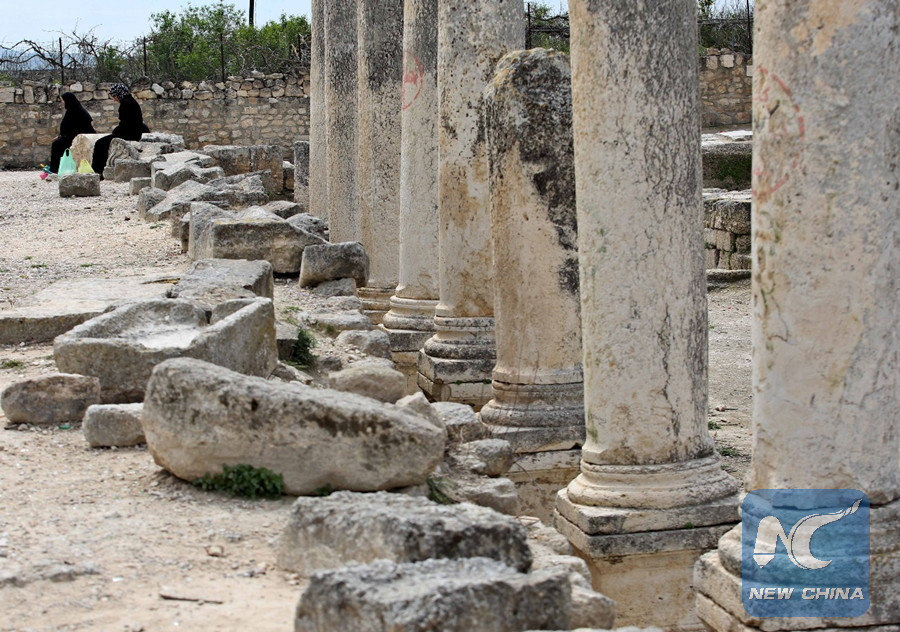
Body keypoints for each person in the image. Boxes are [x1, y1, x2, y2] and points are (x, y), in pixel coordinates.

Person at [91, 83, 150, 178]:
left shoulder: (126, 104)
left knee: (100, 144)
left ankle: (98, 171)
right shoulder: (130, 101)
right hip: (133, 131)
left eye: (114, 96)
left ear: (119, 94)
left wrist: (115, 132)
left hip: (130, 134)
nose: (114, 99)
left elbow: (126, 124)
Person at [49, 92, 95, 173]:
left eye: (63, 100)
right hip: (72, 136)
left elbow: (77, 129)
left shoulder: (76, 111)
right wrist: (60, 136)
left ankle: (55, 170)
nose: (62, 102)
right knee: (57, 143)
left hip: (79, 138)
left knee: (57, 145)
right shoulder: (71, 110)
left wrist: (62, 137)